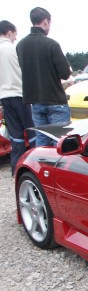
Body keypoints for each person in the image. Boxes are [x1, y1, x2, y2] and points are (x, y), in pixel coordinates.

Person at [16, 7, 71, 147]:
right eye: (50, 23)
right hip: (55, 100)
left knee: (42, 142)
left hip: (35, 101)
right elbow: (65, 73)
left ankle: (42, 168)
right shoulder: (51, 44)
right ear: (46, 21)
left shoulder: (20, 45)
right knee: (60, 143)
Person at [0, 20, 36, 175]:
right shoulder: (15, 48)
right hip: (20, 95)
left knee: (16, 135)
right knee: (32, 131)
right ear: (9, 32)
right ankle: (33, 166)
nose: (15, 37)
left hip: (4, 97)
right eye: (15, 34)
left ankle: (15, 168)